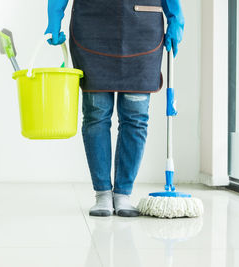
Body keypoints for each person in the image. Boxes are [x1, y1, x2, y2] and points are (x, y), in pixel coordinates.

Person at [45, 0, 184, 217]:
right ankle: (102, 193)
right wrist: (55, 15)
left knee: (136, 117)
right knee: (96, 115)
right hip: (92, 28)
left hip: (142, 29)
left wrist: (176, 17)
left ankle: (123, 194)